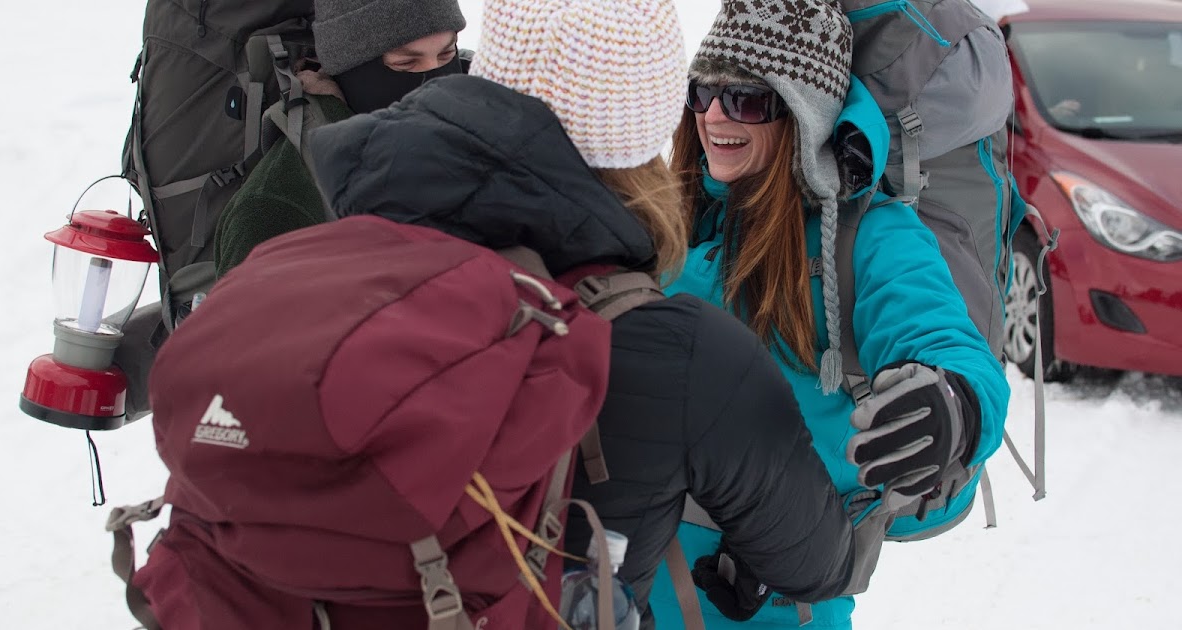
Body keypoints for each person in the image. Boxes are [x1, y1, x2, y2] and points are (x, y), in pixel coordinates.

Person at [306, 0, 855, 625]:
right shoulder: (683, 352)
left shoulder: (345, 249)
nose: (711, 116)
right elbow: (816, 564)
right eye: (700, 95)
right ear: (647, 127)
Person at [648, 0, 1011, 628]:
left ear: (804, 113)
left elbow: (948, 343)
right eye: (702, 92)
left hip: (776, 605)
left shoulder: (869, 238)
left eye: (747, 100)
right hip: (627, 589)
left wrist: (954, 404)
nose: (713, 116)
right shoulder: (675, 215)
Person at [212, 0, 469, 278]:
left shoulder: (482, 133)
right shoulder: (273, 207)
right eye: (406, 63)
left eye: (446, 55)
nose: (436, 83)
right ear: (353, 72)